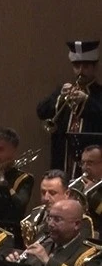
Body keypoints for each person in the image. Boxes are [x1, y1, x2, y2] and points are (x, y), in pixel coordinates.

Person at [36, 40, 102, 172]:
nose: (80, 71)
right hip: (62, 158)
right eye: (77, 66)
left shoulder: (99, 94)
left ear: (95, 67)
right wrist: (59, 97)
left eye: (86, 66)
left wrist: (87, 101)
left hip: (91, 164)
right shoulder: (63, 90)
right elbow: (41, 111)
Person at [21, 170, 96, 242]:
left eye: (52, 193)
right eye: (43, 192)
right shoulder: (36, 212)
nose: (46, 198)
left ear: (67, 194)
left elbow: (80, 252)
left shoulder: (81, 220)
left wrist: (43, 255)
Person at [69, 145, 102, 228]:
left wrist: (93, 195)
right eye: (83, 163)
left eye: (90, 163)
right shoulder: (76, 185)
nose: (85, 167)